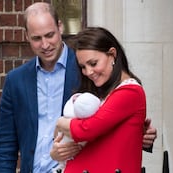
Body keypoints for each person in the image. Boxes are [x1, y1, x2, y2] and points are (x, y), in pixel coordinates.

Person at [0, 2, 157, 173]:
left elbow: (108, 114)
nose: (45, 45)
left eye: (49, 35)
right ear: (27, 36)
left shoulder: (87, 68)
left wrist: (139, 133)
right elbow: (5, 145)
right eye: (37, 38)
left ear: (60, 26)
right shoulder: (16, 80)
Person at [51, 27, 147, 173]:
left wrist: (60, 122)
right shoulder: (100, 92)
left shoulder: (130, 91)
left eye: (93, 63)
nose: (88, 72)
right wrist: (58, 151)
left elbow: (87, 129)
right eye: (83, 66)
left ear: (112, 54)